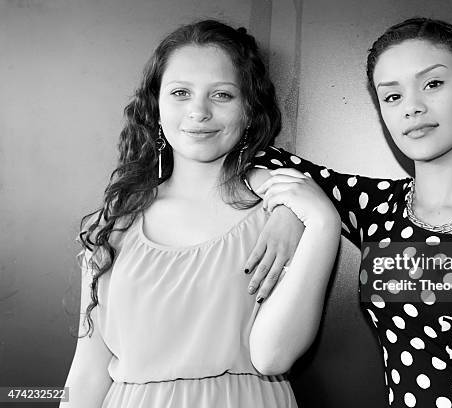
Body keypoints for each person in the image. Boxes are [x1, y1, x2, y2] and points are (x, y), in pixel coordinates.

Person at [249, 17, 452, 408]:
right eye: (392, 96)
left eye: (433, 84)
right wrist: (289, 211)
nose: (413, 107)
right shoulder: (378, 208)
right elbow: (260, 156)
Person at [62, 20, 340, 408]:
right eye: (180, 92)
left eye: (222, 95)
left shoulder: (283, 212)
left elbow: (275, 356)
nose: (199, 111)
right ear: (156, 106)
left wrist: (321, 223)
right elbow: (87, 370)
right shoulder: (111, 225)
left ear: (249, 110)